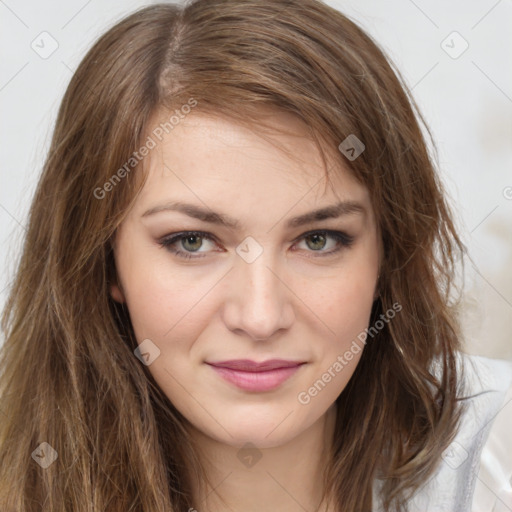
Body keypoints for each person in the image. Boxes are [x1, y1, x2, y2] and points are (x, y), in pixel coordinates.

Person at [0, 1, 510, 511]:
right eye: (192, 242)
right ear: (107, 262)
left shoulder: (497, 455)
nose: (261, 317)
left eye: (319, 240)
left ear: (386, 254)